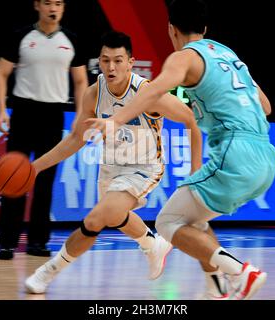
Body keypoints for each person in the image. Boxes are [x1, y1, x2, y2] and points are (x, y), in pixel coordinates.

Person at [86, 0, 275, 300]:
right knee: (193, 218)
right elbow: (265, 106)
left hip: (234, 152)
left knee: (166, 222)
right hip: (267, 155)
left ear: (171, 30)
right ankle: (217, 289)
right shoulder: (228, 54)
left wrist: (115, 120)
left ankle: (242, 273)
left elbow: (151, 91)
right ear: (205, 28)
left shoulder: (183, 58)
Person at [24, 31, 202, 294]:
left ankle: (47, 273)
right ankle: (152, 245)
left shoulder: (147, 93)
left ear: (131, 62)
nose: (111, 67)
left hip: (144, 167)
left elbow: (189, 119)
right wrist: (35, 167)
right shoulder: (94, 93)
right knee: (116, 216)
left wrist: (194, 171)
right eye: (105, 60)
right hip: (111, 165)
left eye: (118, 60)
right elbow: (76, 139)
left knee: (97, 218)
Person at [0, 0, 88, 260]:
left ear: (64, 8)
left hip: (53, 114)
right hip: (23, 112)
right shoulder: (22, 36)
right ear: (37, 5)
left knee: (44, 182)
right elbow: (2, 74)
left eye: (58, 3)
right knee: (14, 179)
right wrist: (2, 110)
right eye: (48, 2)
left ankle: (37, 242)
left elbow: (81, 81)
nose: (53, 8)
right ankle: (7, 242)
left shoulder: (71, 40)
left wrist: (80, 117)